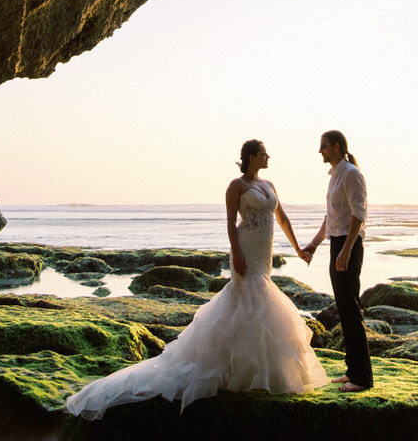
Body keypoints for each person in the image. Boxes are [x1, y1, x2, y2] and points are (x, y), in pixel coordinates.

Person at [65, 140, 328, 417]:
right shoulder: (236, 186)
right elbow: (229, 222)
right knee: (248, 298)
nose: (268, 157)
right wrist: (236, 252)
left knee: (261, 297)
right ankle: (236, 369)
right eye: (264, 154)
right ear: (251, 157)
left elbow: (282, 218)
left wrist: (298, 248)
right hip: (246, 248)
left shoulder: (269, 185)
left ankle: (259, 371)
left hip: (265, 252)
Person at [304, 130, 372, 393]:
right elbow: (330, 218)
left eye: (323, 146)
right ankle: (352, 370)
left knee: (351, 310)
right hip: (338, 244)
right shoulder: (335, 176)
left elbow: (358, 215)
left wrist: (345, 250)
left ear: (336, 147)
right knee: (344, 309)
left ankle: (363, 379)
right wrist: (314, 243)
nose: (320, 151)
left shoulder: (352, 173)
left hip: (348, 246)